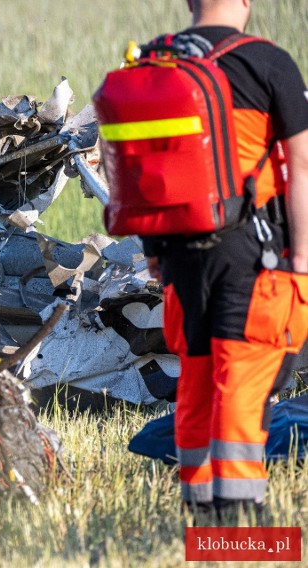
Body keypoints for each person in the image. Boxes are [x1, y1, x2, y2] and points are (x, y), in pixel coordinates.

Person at [142, 0, 308, 520]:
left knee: (194, 385)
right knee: (242, 383)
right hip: (251, 255)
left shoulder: (153, 63)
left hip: (177, 256)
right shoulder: (267, 61)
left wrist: (153, 252)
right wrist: (301, 256)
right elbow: (301, 169)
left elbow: (141, 168)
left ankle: (200, 519)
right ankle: (238, 533)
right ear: (244, 2)